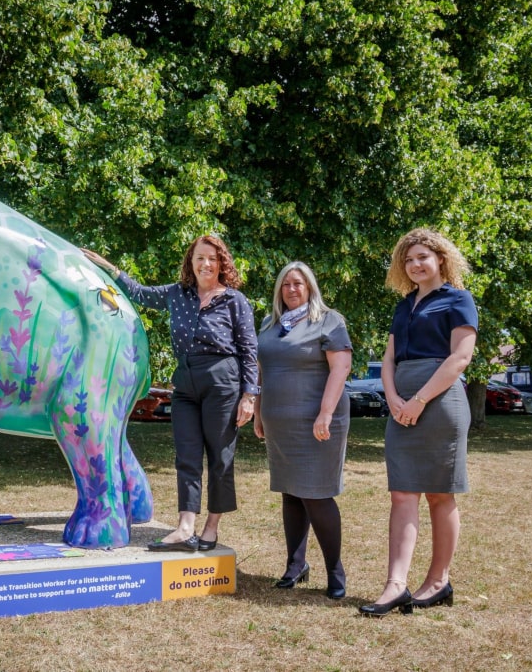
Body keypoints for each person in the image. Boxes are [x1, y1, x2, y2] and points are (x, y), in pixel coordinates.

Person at [81, 236, 258, 552]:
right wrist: (108, 268)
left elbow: (248, 350)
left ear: (222, 264)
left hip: (223, 381)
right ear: (191, 262)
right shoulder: (177, 294)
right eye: (199, 258)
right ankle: (184, 527)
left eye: (212, 259)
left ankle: (211, 527)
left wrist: (249, 396)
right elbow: (139, 293)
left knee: (220, 458)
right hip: (185, 384)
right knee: (187, 457)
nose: (205, 264)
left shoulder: (234, 300)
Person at [358, 228, 478, 617]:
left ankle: (439, 581)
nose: (415, 265)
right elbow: (389, 358)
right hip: (400, 404)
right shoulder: (404, 305)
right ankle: (395, 585)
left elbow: (460, 358)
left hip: (441, 403)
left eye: (422, 257)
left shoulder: (459, 300)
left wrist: (419, 400)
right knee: (402, 493)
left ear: (441, 258)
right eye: (408, 260)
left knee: (440, 494)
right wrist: (392, 398)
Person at [253, 262, 352, 599]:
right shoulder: (269, 324)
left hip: (318, 421)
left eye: (298, 283)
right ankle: (296, 565)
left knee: (316, 494)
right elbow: (263, 371)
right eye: (286, 285)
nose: (292, 289)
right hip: (279, 420)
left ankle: (335, 569)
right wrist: (258, 413)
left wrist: (325, 413)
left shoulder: (328, 320)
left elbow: (341, 368)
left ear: (310, 287)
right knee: (291, 492)